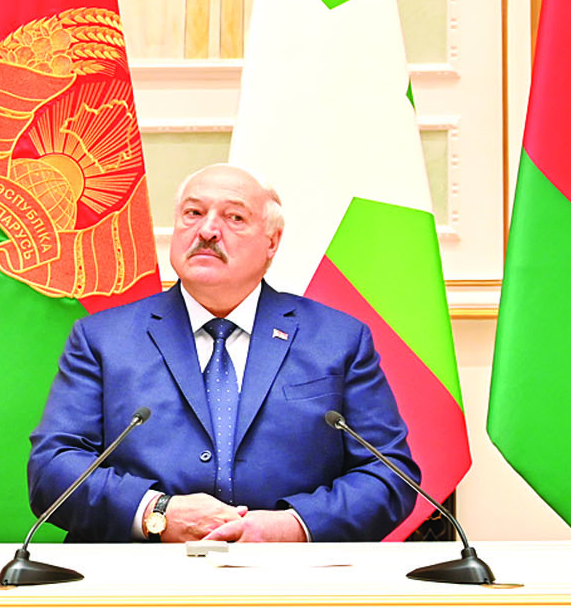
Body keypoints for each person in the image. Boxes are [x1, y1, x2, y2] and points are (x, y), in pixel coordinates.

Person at [26, 163, 418, 543]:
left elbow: (389, 474)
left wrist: (292, 527)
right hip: (138, 573)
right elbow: (52, 469)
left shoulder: (337, 339)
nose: (207, 230)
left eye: (235, 218)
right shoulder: (102, 338)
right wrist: (156, 512)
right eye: (193, 213)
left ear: (272, 242)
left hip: (290, 575)